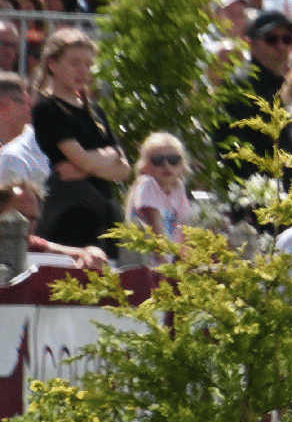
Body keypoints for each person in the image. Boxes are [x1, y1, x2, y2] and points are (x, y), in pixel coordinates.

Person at [30, 28, 131, 255]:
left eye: (88, 64)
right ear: (53, 64)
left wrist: (88, 166)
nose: (83, 70)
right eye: (75, 63)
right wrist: (104, 159)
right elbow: (82, 159)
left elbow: (124, 169)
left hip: (101, 213)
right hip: (68, 215)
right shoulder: (47, 107)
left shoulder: (95, 110)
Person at [127, 132, 198, 241]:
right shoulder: (146, 183)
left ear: (182, 165)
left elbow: (184, 226)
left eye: (173, 160)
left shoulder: (177, 187)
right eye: (158, 160)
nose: (166, 165)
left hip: (167, 252)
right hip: (147, 254)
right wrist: (163, 256)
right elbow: (155, 223)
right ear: (145, 167)